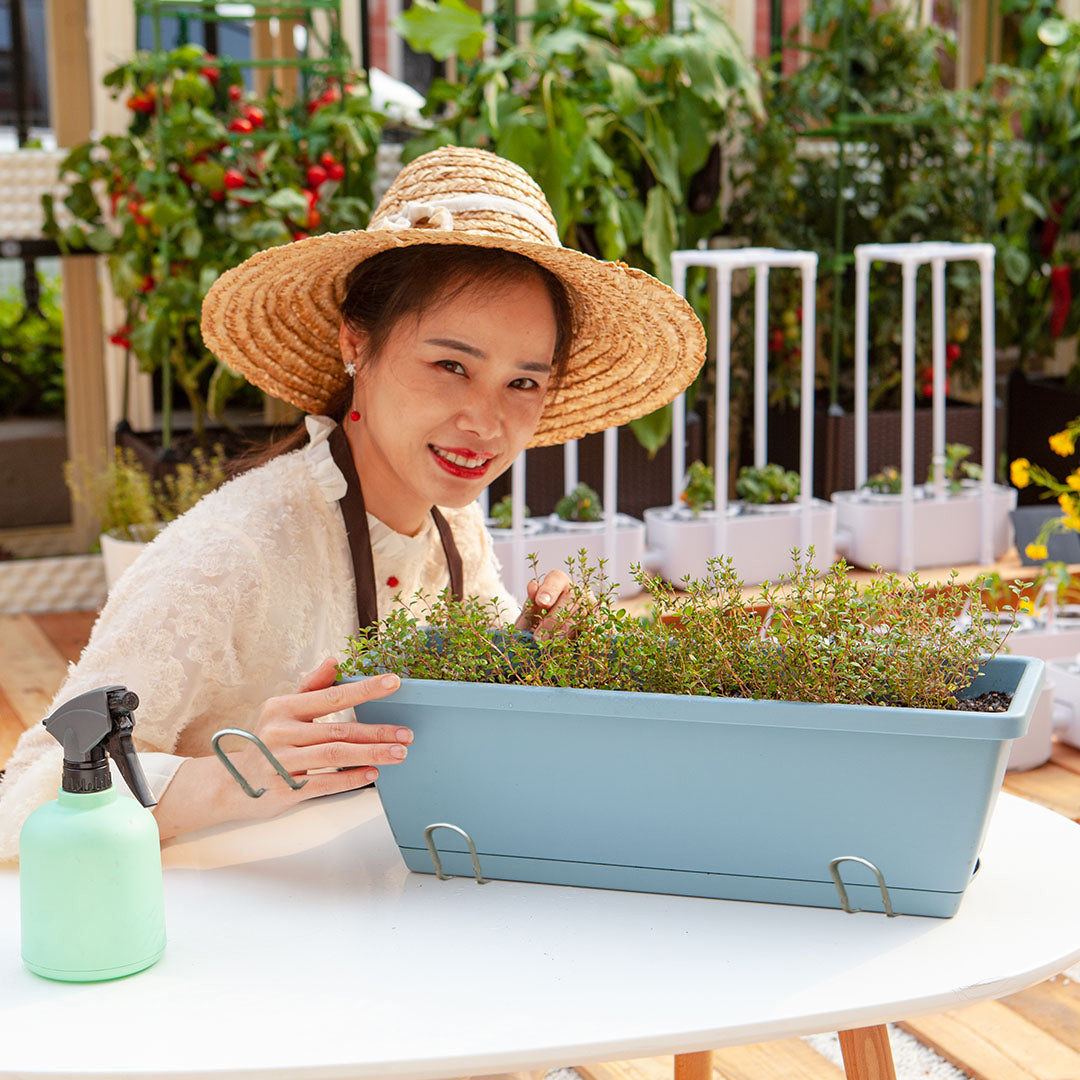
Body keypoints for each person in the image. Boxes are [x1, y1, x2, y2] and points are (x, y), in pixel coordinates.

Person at [0, 145, 705, 857]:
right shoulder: (232, 552)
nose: (487, 423)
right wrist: (237, 777)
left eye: (523, 382)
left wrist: (535, 652)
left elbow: (470, 723)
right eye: (451, 365)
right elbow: (28, 797)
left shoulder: (454, 528)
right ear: (354, 343)